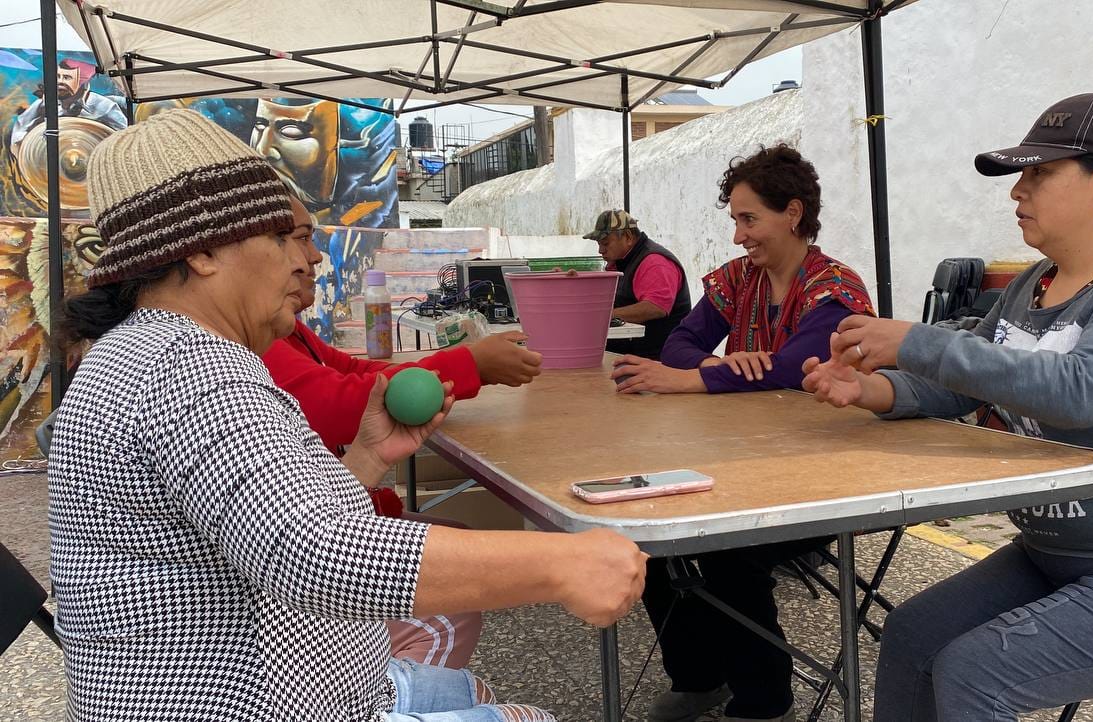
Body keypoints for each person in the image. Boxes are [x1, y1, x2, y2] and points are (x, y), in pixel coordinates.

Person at [48, 108, 647, 722]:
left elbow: (257, 524)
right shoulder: (186, 365)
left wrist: (362, 461)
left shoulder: (162, 351)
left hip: (309, 681)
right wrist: (564, 562)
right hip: (247, 701)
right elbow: (314, 551)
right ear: (202, 251)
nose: (304, 261)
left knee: (477, 697)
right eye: (282, 237)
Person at [802, 92, 1093, 721]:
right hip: (1054, 557)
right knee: (911, 637)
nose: (1017, 191)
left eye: (1039, 173)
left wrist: (918, 342)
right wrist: (873, 389)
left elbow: (1081, 389)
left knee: (977, 672)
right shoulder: (1033, 283)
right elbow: (969, 384)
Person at [624, 144, 874, 722]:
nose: (738, 236)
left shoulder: (835, 287)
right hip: (738, 461)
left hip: (824, 476)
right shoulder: (738, 279)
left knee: (729, 549)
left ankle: (764, 701)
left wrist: (687, 382)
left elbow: (797, 371)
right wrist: (718, 366)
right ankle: (699, 678)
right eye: (735, 220)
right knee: (654, 531)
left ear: (792, 212)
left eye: (748, 219)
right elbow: (680, 343)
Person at [264, 189, 542, 670]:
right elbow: (341, 403)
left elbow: (350, 376)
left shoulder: (282, 333)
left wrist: (457, 366)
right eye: (299, 239)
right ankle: (384, 694)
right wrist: (468, 363)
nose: (312, 257)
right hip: (292, 596)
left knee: (457, 546)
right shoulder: (218, 361)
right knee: (448, 602)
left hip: (320, 535)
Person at [584, 209, 692, 359]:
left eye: (605, 243)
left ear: (628, 237)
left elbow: (655, 307)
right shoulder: (620, 262)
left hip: (660, 359)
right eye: (599, 244)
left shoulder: (654, 263)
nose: (600, 250)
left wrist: (605, 316)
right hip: (632, 355)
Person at [10, 59, 126, 150]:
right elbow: (20, 129)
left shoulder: (104, 107)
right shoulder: (43, 104)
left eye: (67, 77)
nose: (60, 81)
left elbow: (126, 138)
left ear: (83, 83)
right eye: (58, 76)